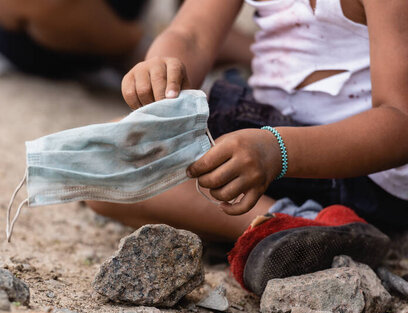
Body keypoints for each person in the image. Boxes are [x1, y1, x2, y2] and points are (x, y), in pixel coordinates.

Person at [87, 0, 408, 294]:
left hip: (363, 167)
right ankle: (294, 223)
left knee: (107, 159)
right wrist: (162, 71)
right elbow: (191, 34)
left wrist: (277, 151)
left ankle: (281, 226)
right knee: (99, 161)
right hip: (268, 137)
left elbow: (400, 120)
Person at [0, 0, 254, 78]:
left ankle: (184, 37)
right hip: (16, 28)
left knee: (198, 35)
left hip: (128, 13)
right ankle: (137, 49)